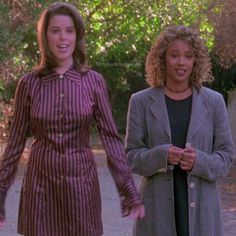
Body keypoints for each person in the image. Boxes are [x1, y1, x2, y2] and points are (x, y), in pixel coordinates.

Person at [0, 2, 145, 236]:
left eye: (69, 30)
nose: (62, 38)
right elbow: (15, 143)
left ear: (77, 35)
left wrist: (128, 190)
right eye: (55, 30)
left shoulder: (93, 81)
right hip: (40, 189)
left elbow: (110, 139)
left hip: (81, 189)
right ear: (45, 36)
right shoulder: (28, 84)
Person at [125, 25, 235, 236]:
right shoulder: (140, 102)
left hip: (203, 210)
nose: (181, 62)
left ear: (196, 61)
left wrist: (199, 161)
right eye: (174, 55)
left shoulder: (214, 102)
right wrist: (161, 155)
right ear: (162, 59)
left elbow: (226, 157)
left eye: (188, 56)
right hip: (156, 211)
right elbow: (131, 158)